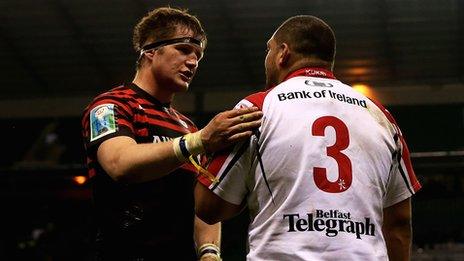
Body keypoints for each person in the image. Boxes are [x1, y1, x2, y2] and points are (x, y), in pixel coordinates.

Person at [194, 15, 421, 260]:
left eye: (268, 50)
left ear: (283, 53)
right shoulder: (381, 116)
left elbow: (209, 208)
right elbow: (398, 224)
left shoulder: (256, 108)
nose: (266, 59)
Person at [81, 7, 262, 261]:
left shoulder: (187, 127)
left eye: (198, 55)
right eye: (184, 49)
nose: (193, 62)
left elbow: (201, 202)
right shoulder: (110, 106)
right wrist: (200, 141)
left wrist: (209, 252)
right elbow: (119, 164)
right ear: (150, 50)